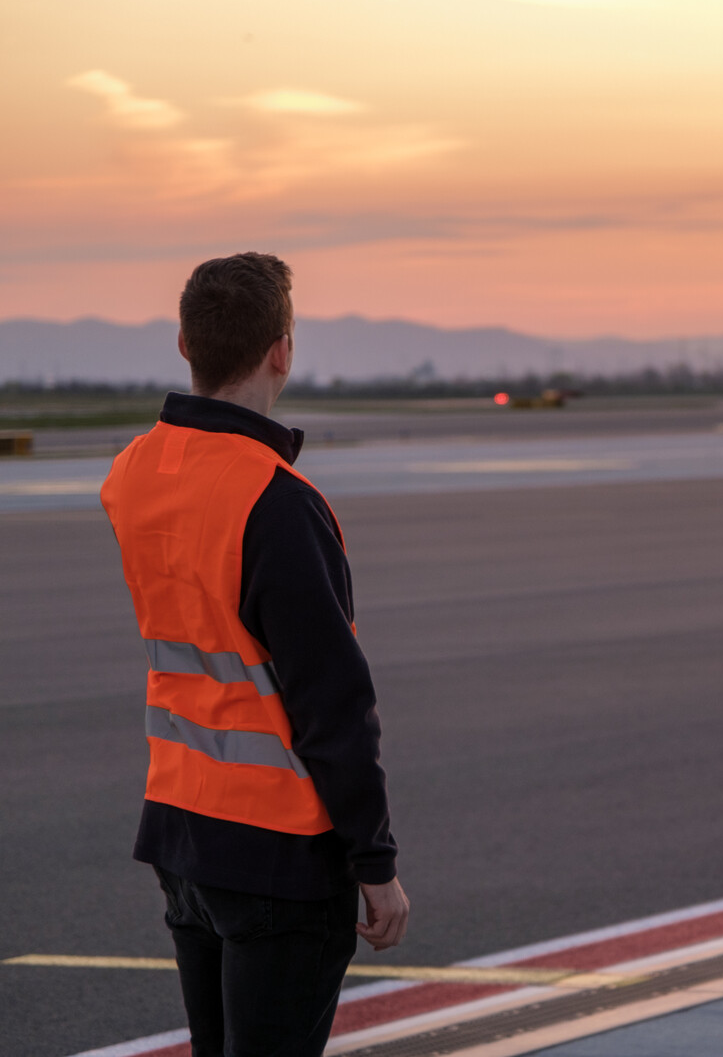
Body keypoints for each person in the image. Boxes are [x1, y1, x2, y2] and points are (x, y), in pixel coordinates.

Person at [101, 252, 409, 1057]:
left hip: (181, 830)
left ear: (183, 343)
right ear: (282, 350)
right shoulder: (276, 501)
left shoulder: (132, 474)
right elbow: (332, 702)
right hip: (276, 850)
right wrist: (374, 859)